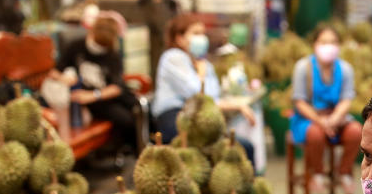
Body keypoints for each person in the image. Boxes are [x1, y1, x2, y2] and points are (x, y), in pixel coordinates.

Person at [152, 14, 255, 160]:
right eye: (195, 33)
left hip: (198, 119)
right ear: (179, 38)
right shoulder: (173, 57)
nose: (201, 38)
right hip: (174, 117)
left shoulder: (203, 63)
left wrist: (239, 106)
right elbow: (196, 94)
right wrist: (201, 74)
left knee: (245, 147)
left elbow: (213, 96)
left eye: (202, 34)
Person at [51, 12, 138, 156]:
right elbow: (54, 71)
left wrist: (93, 95)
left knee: (131, 112)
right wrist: (65, 79)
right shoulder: (76, 47)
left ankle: (128, 148)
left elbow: (117, 87)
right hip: (79, 98)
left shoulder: (112, 54)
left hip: (102, 97)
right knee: (124, 117)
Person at [290, 25, 362, 194]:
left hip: (337, 118)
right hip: (309, 118)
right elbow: (299, 101)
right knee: (315, 134)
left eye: (333, 42)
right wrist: (321, 121)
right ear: (315, 44)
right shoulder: (303, 67)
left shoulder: (345, 69)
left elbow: (346, 99)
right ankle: (318, 172)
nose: (328, 46)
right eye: (324, 42)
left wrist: (334, 119)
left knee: (356, 132)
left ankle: (344, 171)